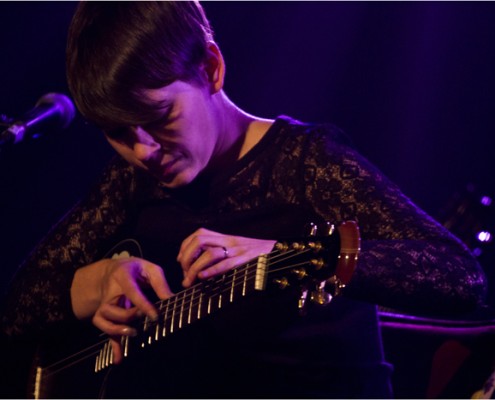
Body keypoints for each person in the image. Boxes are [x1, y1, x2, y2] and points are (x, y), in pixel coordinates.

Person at [0, 1, 488, 398]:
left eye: (160, 117)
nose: (143, 149)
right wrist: (96, 282)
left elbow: (459, 275)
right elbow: (17, 309)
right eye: (118, 133)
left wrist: (289, 255)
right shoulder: (130, 183)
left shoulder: (304, 162)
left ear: (210, 68)